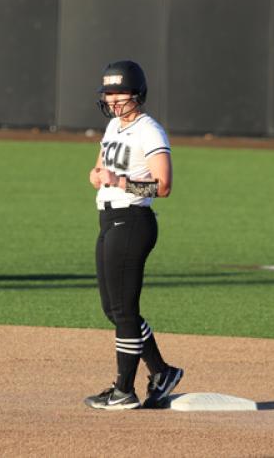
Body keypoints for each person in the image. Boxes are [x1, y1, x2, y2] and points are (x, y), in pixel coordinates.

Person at [84, 60, 183, 410]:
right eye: (108, 93)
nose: (112, 99)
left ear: (137, 93)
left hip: (133, 221)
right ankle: (161, 371)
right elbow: (100, 168)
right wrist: (97, 175)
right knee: (113, 309)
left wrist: (119, 181)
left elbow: (164, 185)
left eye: (119, 92)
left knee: (125, 309)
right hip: (109, 221)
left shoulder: (149, 130)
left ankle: (123, 389)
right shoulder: (113, 126)